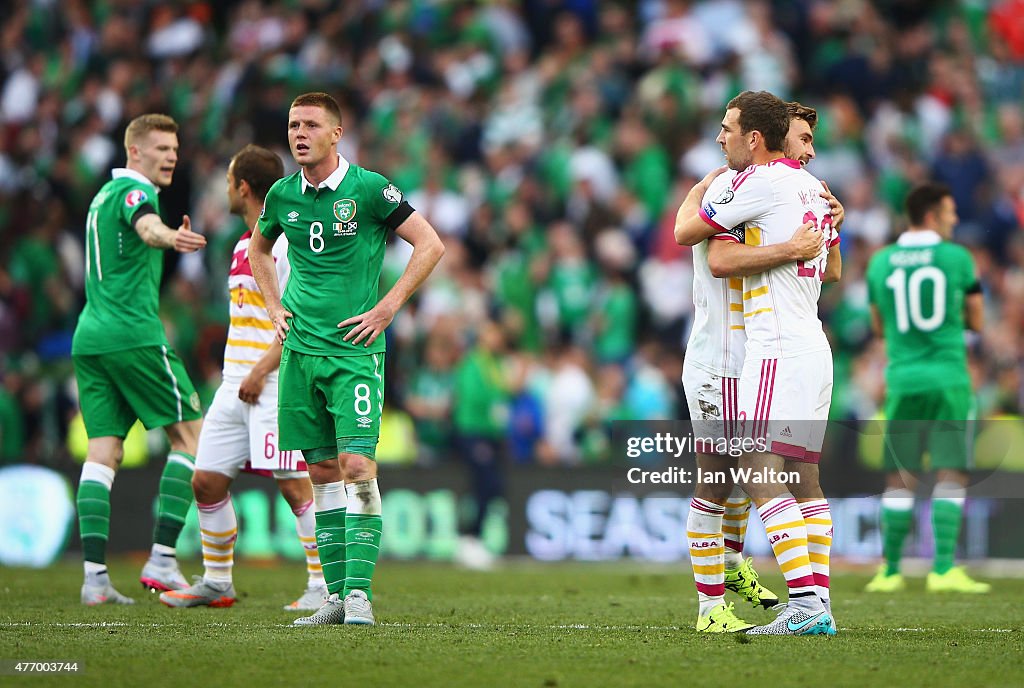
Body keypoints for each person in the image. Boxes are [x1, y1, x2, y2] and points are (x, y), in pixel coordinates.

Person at [249, 92, 445, 626]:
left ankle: (359, 594)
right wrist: (272, 305)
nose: (299, 134)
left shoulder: (369, 188)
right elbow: (258, 250)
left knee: (357, 465)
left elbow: (429, 244)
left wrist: (387, 307)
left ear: (337, 134)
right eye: (293, 125)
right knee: (321, 472)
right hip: (300, 352)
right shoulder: (282, 196)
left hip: (355, 352)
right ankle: (334, 597)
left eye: (311, 125)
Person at [673, 99, 843, 633]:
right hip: (723, 358)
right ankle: (718, 601)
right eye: (803, 139)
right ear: (778, 138)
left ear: (757, 138)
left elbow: (824, 269)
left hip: (770, 354)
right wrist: (700, 189)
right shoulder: (753, 187)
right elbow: (702, 245)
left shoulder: (777, 186)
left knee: (760, 474)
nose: (809, 150)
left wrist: (807, 237)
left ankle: (801, 602)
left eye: (727, 129)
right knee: (740, 479)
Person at [159, 144, 327, 611]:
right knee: (206, 481)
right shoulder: (242, 244)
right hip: (236, 384)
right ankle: (218, 581)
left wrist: (260, 368)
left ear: (244, 188)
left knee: (294, 484)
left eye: (230, 182)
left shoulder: (287, 243)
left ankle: (322, 586)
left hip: (271, 382)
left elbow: (298, 319)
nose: (226, 190)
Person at [72, 113, 207, 605]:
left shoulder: (99, 198)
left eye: (174, 148)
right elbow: (146, 225)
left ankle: (94, 580)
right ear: (134, 152)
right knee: (192, 436)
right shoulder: (136, 193)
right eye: (161, 149)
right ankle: (164, 560)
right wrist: (171, 236)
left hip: (90, 337)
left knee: (103, 453)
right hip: (133, 332)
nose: (171, 156)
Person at [864, 182, 989, 594]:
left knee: (899, 478)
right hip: (948, 375)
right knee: (951, 472)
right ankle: (943, 570)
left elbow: (879, 325)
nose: (955, 220)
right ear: (933, 215)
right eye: (950, 213)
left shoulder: (880, 263)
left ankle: (890, 571)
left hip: (902, 377)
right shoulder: (956, 258)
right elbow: (976, 318)